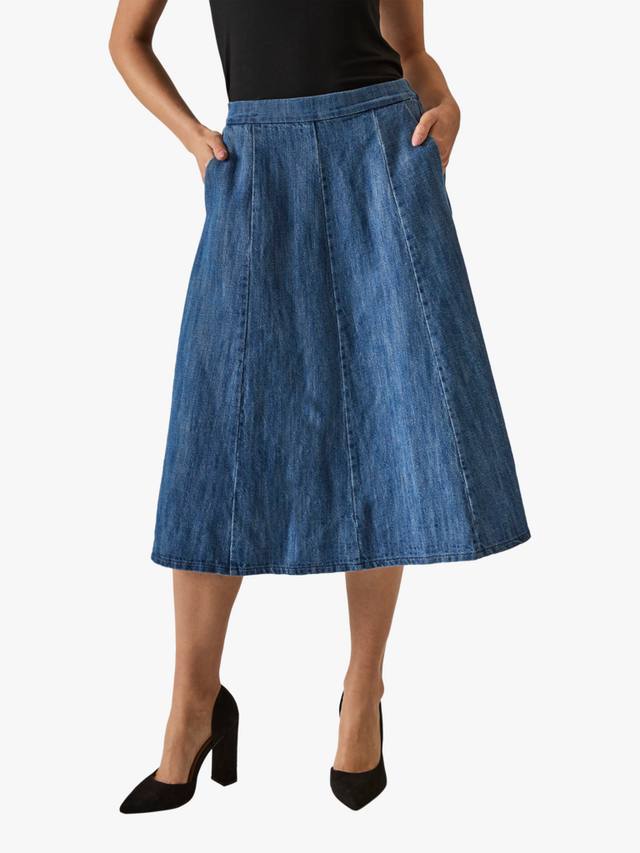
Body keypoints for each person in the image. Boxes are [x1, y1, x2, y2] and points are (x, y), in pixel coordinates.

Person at [110, 0, 530, 813]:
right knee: (217, 439)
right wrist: (193, 137)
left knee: (385, 421)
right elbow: (127, 40)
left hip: (378, 154)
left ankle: (363, 689)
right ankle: (193, 704)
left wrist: (447, 108)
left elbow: (410, 51)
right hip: (255, 160)